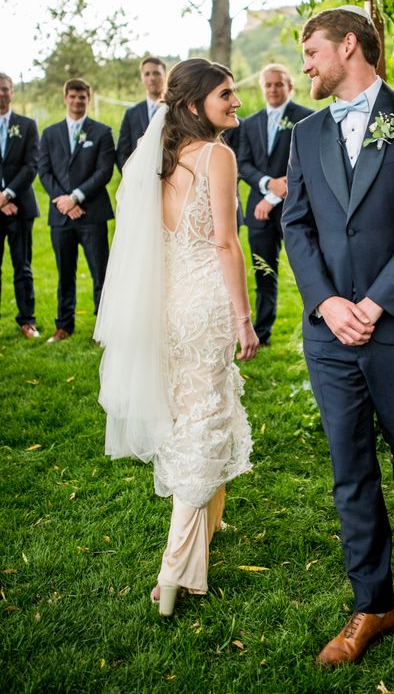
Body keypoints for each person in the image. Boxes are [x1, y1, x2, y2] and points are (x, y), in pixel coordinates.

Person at [282, 6, 394, 666]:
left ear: (348, 46)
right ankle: (373, 603)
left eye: (312, 52)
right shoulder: (305, 132)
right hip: (330, 332)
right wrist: (327, 302)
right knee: (350, 465)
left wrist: (377, 303)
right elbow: (296, 224)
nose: (305, 65)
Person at [95, 58, 258, 618]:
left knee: (198, 416)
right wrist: (243, 318)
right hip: (206, 306)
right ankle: (174, 572)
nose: (236, 102)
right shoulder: (216, 155)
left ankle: (204, 536)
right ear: (193, 105)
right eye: (226, 94)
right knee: (203, 427)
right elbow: (226, 244)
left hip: (167, 306)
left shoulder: (160, 157)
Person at [237, 63, 313, 345]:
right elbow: (243, 164)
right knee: (263, 272)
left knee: (308, 269)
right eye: (268, 84)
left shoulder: (306, 118)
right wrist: (268, 185)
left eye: (278, 84)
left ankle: (317, 326)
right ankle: (262, 333)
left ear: (289, 86)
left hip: (296, 208)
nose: (273, 89)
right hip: (259, 213)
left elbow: (308, 166)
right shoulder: (249, 123)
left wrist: (275, 196)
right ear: (262, 88)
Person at [39, 78, 116, 342]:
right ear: (65, 98)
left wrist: (76, 197)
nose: (77, 101)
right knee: (65, 273)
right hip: (61, 216)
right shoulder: (49, 133)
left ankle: (105, 328)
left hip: (92, 214)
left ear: (88, 99)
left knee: (100, 273)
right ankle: (63, 326)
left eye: (82, 97)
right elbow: (44, 171)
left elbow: (104, 171)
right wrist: (64, 201)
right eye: (72, 96)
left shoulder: (102, 132)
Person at [0, 72, 40, 338]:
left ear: (12, 92)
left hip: (21, 208)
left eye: (5, 88)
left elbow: (31, 165)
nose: (1, 93)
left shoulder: (26, 125)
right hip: (3, 205)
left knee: (22, 267)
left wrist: (8, 195)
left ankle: (27, 321)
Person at [116, 56, 167, 171]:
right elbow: (122, 152)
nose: (152, 78)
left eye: (156, 73)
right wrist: (131, 175)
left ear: (165, 75)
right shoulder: (131, 114)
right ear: (142, 78)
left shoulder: (176, 109)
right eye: (147, 74)